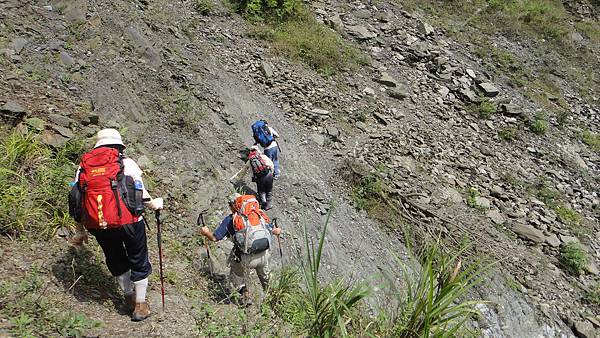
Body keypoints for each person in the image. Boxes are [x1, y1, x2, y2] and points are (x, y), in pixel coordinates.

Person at [69, 128, 164, 321]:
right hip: (129, 222)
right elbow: (141, 193)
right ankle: (140, 304)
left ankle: (128, 297)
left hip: (98, 225)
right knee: (138, 258)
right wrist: (155, 204)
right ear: (118, 146)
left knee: (115, 258)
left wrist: (80, 230)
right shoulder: (126, 163)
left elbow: (76, 199)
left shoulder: (83, 167)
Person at [200, 194, 281, 306]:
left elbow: (215, 238)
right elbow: (271, 229)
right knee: (266, 279)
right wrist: (276, 230)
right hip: (263, 255)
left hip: (246, 258)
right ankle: (275, 302)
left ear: (233, 205)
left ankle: (245, 295)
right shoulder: (258, 215)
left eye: (230, 205)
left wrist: (205, 232)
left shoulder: (231, 219)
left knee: (235, 275)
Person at [247, 145, 275, 210]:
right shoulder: (262, 156)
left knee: (261, 191)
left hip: (260, 178)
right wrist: (272, 173)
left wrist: (254, 178)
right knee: (269, 190)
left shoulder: (250, 160)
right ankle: (268, 205)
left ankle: (263, 204)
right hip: (268, 174)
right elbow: (271, 164)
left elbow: (252, 171)